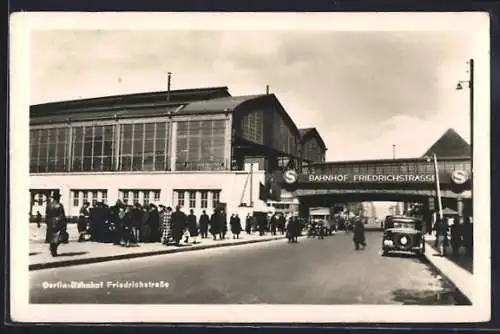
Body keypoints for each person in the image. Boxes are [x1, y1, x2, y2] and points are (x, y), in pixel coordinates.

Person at [45, 192, 67, 257]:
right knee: (59, 237)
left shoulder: (49, 205)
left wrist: (47, 222)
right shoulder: (60, 205)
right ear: (57, 197)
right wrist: (64, 223)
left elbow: (47, 214)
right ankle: (53, 250)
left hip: (51, 222)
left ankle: (53, 249)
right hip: (58, 222)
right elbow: (62, 215)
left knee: (52, 237)